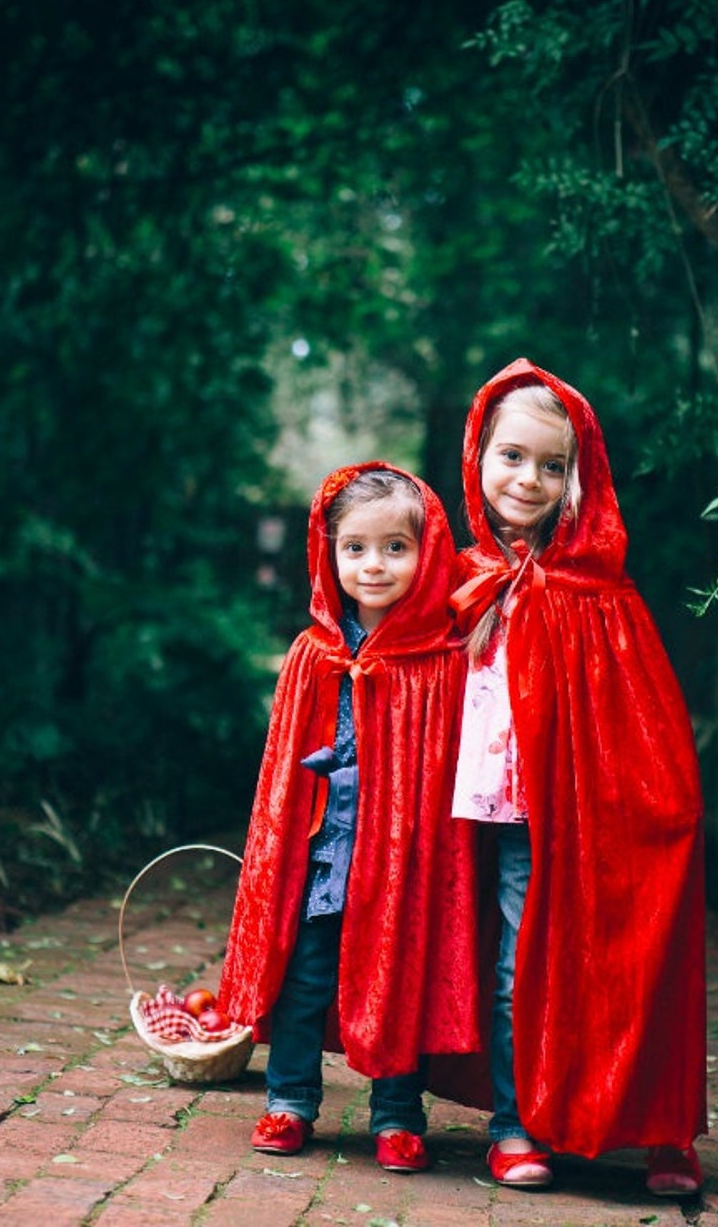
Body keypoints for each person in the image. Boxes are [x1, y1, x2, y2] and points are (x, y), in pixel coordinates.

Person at [430, 358, 706, 1196]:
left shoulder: (598, 585)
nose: (531, 478)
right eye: (513, 456)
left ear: (578, 478)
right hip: (504, 811)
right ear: (478, 454)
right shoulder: (464, 578)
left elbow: (642, 712)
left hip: (592, 811)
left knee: (623, 953)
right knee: (515, 964)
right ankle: (514, 1121)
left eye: (553, 465)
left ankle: (652, 1123)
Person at [218, 462, 481, 1173]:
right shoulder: (315, 654)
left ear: (425, 554)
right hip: (321, 855)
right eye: (356, 547)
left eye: (395, 547)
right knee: (305, 979)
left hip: (397, 861)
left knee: (398, 978)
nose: (374, 564)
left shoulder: (438, 659)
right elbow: (282, 772)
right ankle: (290, 1099)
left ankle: (397, 1112)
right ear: (328, 553)